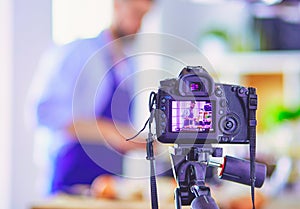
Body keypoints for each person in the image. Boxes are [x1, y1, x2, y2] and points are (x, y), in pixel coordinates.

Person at [31, 0, 153, 194]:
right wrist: (115, 135)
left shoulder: (130, 64)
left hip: (109, 182)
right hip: (71, 176)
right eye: (135, 13)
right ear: (117, 5)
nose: (138, 23)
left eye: (144, 16)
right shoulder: (78, 52)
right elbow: (46, 111)